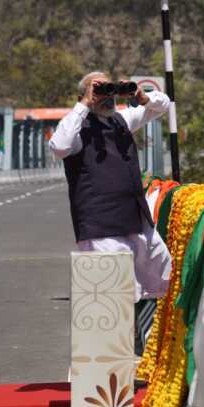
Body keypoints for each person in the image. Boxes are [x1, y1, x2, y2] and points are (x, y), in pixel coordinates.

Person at [50, 71, 173, 301]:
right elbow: (60, 146)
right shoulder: (76, 127)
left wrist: (143, 97)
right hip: (101, 226)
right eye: (98, 90)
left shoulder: (121, 119)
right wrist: (84, 104)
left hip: (134, 220)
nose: (106, 96)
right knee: (111, 300)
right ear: (84, 96)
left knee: (160, 279)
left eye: (109, 89)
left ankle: (140, 324)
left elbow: (163, 105)